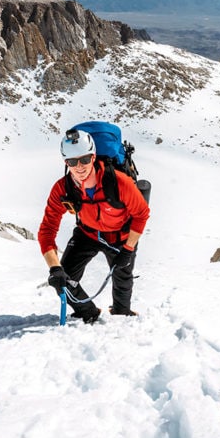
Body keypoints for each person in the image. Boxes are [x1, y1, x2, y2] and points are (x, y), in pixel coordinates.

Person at [38, 129, 150, 324]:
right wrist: (54, 268)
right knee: (64, 281)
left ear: (94, 156)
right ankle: (87, 312)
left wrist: (128, 248)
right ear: (66, 162)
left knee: (122, 277)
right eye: (72, 162)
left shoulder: (119, 182)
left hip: (120, 236)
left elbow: (141, 214)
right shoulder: (63, 188)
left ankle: (122, 314)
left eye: (85, 159)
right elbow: (47, 231)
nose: (79, 167)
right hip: (87, 233)